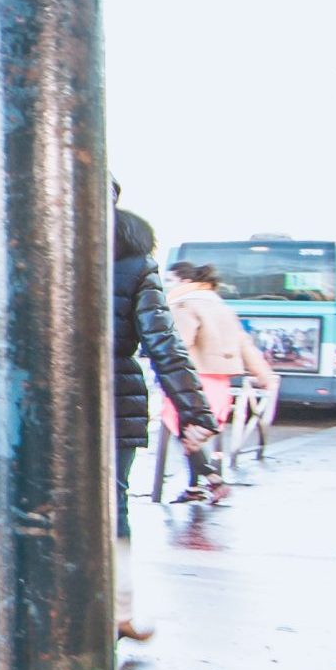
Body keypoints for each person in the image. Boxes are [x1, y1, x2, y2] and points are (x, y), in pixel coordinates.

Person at [111, 202, 216, 638]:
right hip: (114, 398)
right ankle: (119, 611)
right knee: (112, 506)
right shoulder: (135, 263)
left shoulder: (33, 244)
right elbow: (162, 343)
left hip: (36, 400)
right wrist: (194, 410)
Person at [164, 261, 281, 503]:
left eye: (170, 280)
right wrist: (264, 375)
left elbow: (179, 345)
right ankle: (196, 486)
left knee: (187, 433)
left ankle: (213, 480)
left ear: (185, 282)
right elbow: (244, 344)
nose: (167, 285)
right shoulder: (220, 305)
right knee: (192, 434)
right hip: (219, 381)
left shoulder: (184, 304)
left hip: (190, 379)